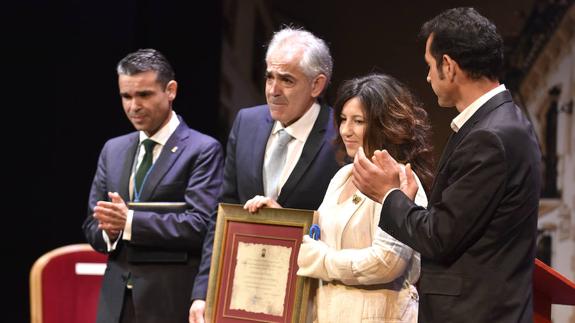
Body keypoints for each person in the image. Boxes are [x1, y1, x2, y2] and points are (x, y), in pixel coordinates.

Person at [352, 7, 541, 323]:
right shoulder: (500, 123)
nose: (427, 77)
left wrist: (388, 195)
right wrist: (406, 200)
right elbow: (462, 227)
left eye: (429, 66)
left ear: (449, 66)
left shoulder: (491, 137)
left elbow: (439, 238)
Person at [188, 27, 340, 322]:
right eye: (270, 76)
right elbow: (221, 213)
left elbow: (348, 228)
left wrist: (289, 225)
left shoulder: (339, 136)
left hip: (309, 296)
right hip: (242, 291)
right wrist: (204, 289)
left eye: (287, 80)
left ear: (317, 85)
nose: (273, 89)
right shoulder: (246, 121)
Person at [82, 48, 224, 323]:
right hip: (115, 302)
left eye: (144, 95)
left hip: (168, 302)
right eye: (126, 96)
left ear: (170, 90)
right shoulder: (113, 149)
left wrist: (130, 222)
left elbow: (201, 226)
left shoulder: (203, 150)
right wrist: (109, 231)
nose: (133, 106)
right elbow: (91, 225)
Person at [285, 73, 432, 323]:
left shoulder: (403, 181)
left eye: (358, 121)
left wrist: (322, 260)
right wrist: (275, 216)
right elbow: (316, 236)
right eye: (343, 120)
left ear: (384, 124)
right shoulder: (342, 176)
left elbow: (387, 262)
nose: (346, 131)